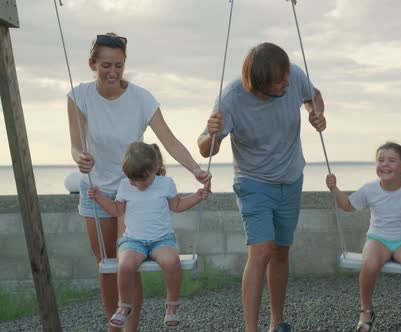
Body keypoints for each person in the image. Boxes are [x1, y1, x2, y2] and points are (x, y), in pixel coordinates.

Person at [67, 33, 211, 332]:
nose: (112, 72)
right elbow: (77, 144)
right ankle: (115, 328)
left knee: (130, 264)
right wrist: (81, 157)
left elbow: (169, 140)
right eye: (106, 65)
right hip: (97, 190)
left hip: (134, 190)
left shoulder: (141, 98)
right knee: (109, 266)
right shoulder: (78, 96)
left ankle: (130, 329)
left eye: (118, 65)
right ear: (92, 64)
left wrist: (196, 169)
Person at [197, 42, 326, 332]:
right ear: (257, 84)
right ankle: (250, 329)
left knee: (281, 250)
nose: (287, 83)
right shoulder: (231, 98)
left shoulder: (292, 74)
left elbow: (313, 96)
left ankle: (277, 322)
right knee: (261, 250)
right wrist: (212, 135)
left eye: (286, 76)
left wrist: (316, 112)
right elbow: (206, 149)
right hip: (253, 181)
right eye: (279, 81)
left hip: (292, 177)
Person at [88, 142, 208, 328]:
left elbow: (177, 206)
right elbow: (116, 209)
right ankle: (124, 306)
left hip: (162, 240)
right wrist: (99, 197)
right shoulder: (125, 186)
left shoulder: (165, 184)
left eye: (141, 179)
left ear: (155, 169)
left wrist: (197, 196)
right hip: (133, 240)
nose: (135, 183)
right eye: (131, 179)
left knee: (172, 262)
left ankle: (172, 306)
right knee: (125, 264)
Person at [326, 142, 401, 332]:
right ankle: (366, 311)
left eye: (391, 160)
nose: (385, 164)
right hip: (378, 238)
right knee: (369, 263)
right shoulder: (370, 189)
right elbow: (347, 205)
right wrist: (334, 189)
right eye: (380, 160)